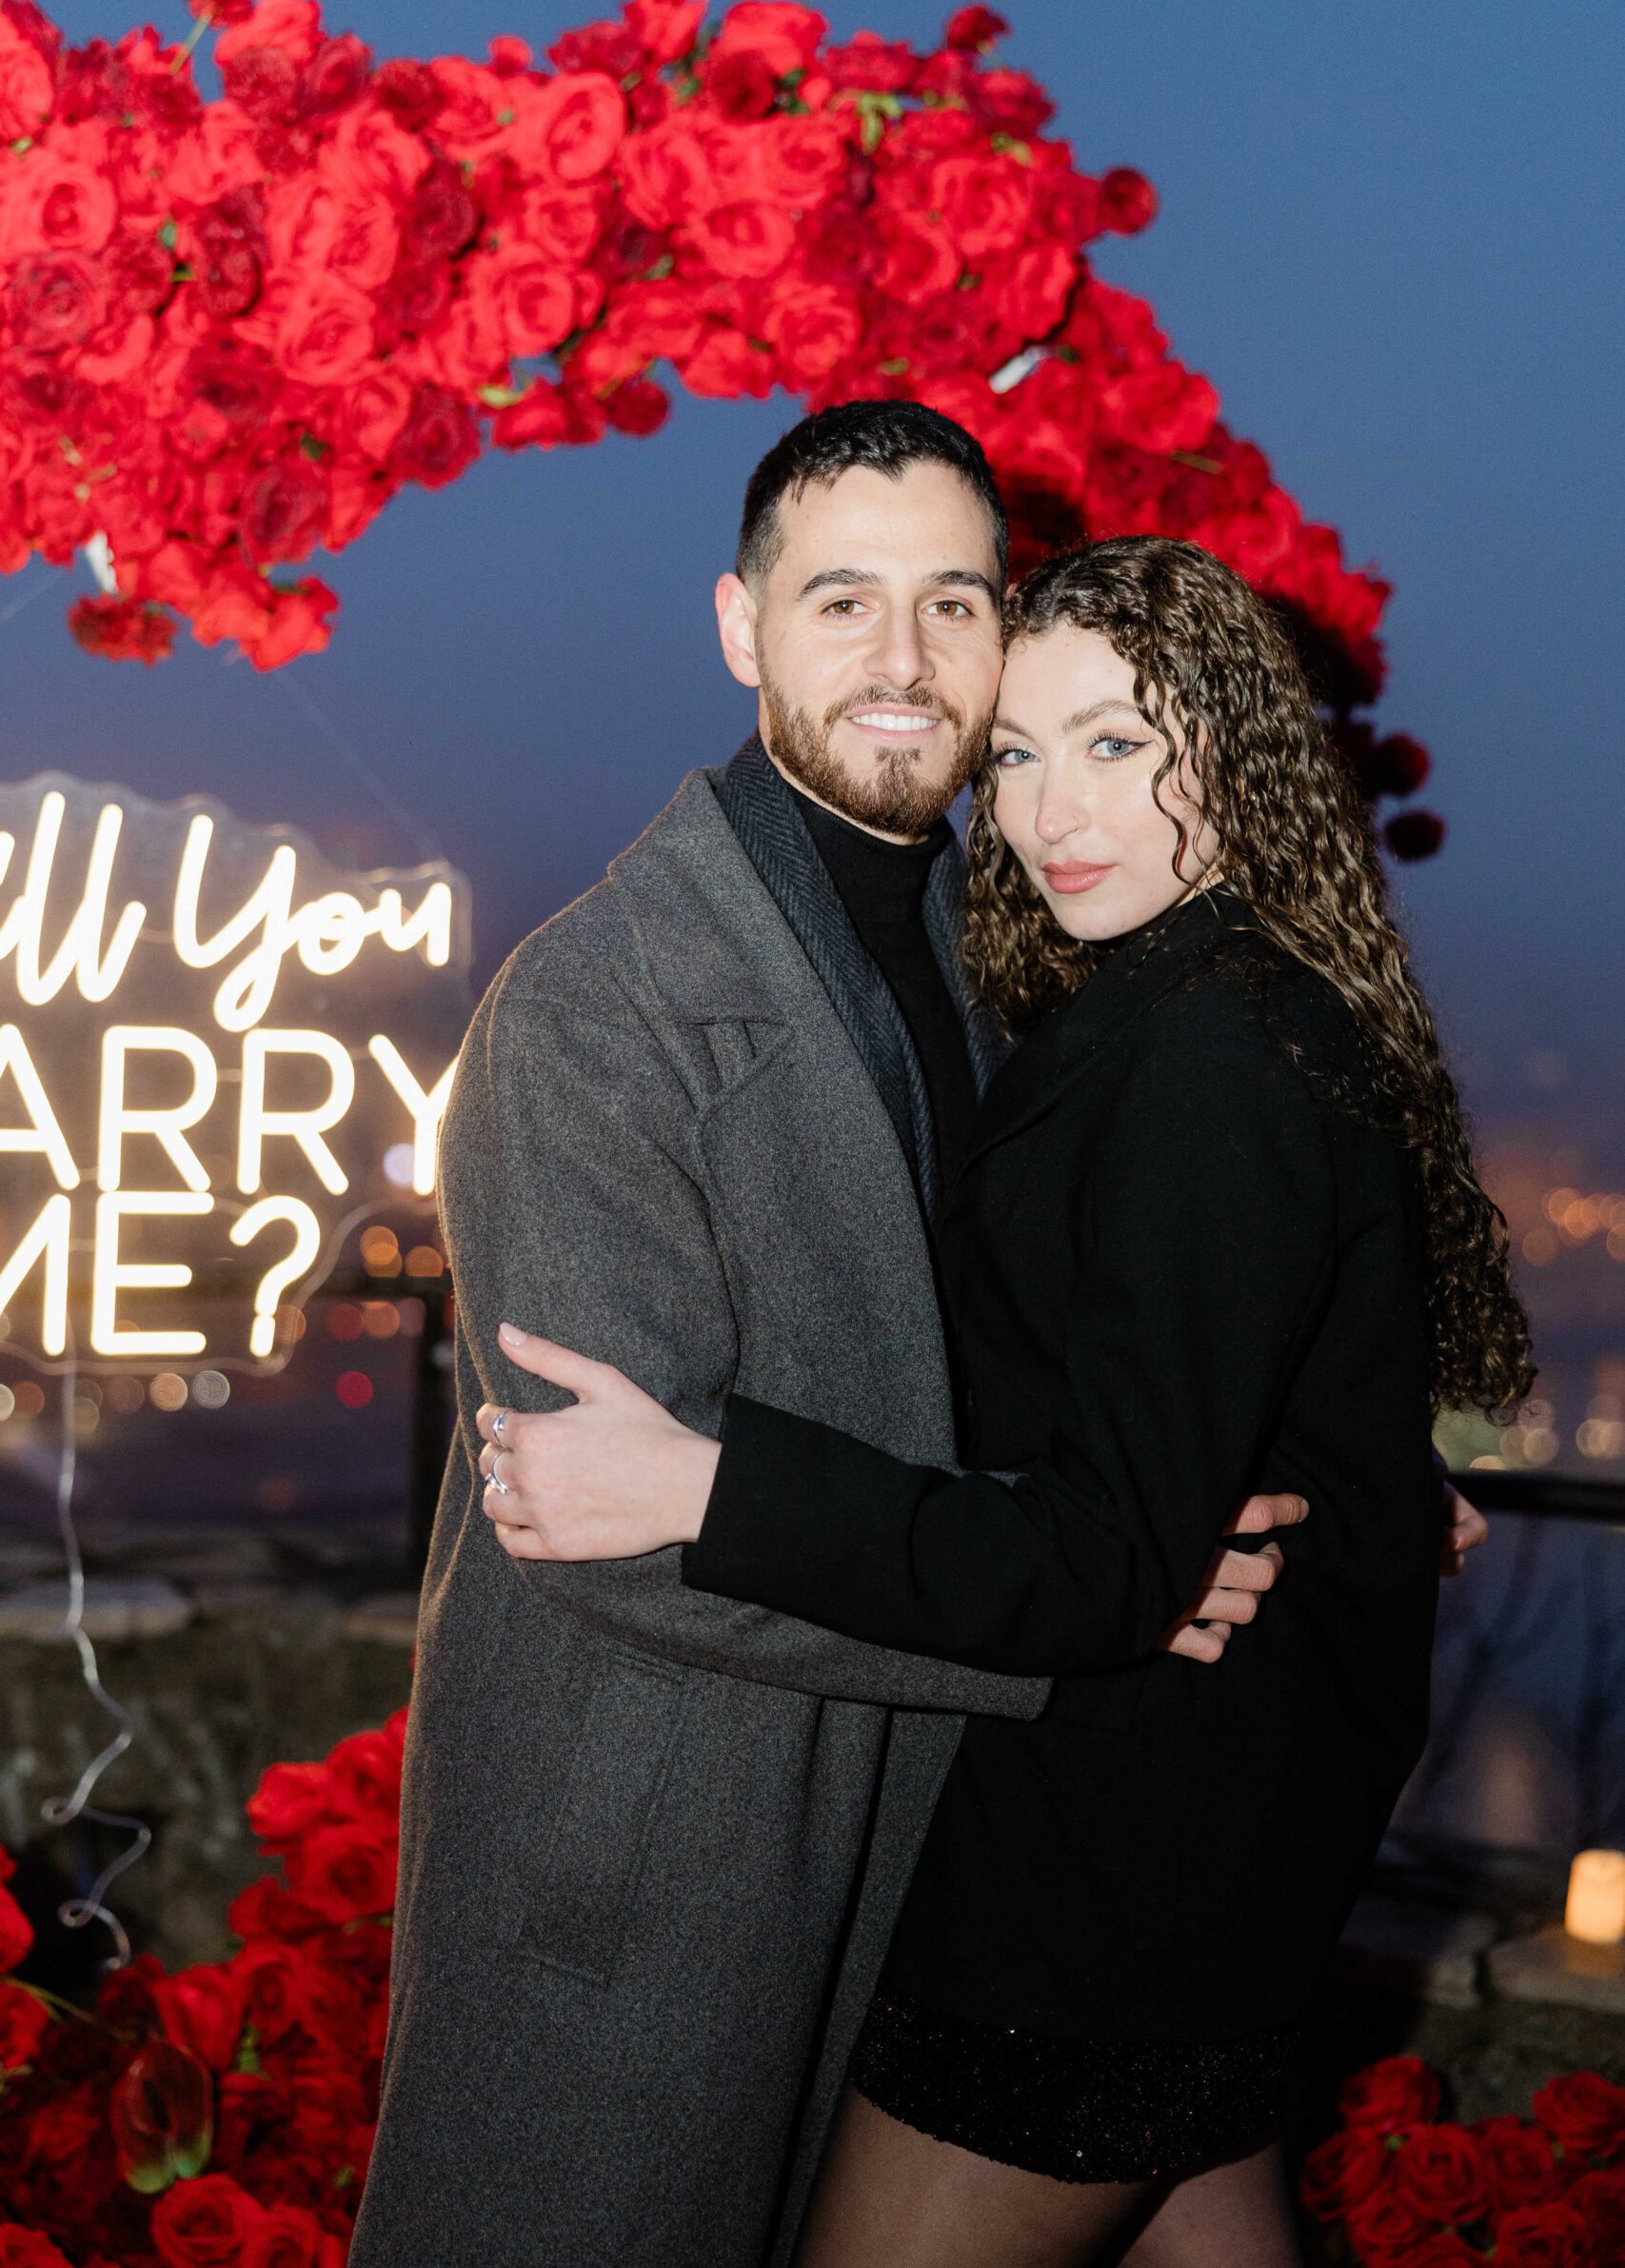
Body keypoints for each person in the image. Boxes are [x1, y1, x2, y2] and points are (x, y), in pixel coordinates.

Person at [473, 534, 1516, 2267]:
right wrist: (1358, 1478)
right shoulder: (1194, 994)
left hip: (1125, 1852)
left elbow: (1108, 1560)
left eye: (1116, 742)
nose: (1049, 813)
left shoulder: (1210, 1054)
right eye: (1017, 755)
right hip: (1211, 1816)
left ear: (1236, 749)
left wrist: (699, 1489)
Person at [350, 412, 1315, 2268]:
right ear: (739, 626)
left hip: (898, 1854)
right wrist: (1082, 1614)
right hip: (652, 1866)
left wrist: (1320, 1462)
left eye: (949, 602)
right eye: (839, 599)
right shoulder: (591, 1008)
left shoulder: (1003, 946)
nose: (898, 660)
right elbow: (616, 1531)